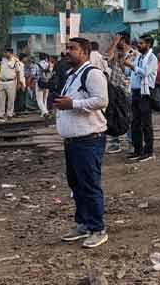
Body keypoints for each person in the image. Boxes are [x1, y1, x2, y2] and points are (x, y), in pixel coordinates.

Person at [54, 37, 109, 249]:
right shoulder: (72, 75)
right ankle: (83, 223)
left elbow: (102, 100)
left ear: (84, 52)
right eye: (67, 48)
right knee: (76, 184)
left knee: (89, 184)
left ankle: (97, 229)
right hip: (73, 141)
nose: (68, 52)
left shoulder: (92, 74)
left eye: (73, 48)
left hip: (89, 140)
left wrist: (73, 104)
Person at [124, 34, 157, 161]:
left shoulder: (152, 58)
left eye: (141, 43)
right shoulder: (138, 57)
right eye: (138, 43)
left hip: (145, 93)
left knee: (146, 124)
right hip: (135, 92)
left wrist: (132, 66)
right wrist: (126, 63)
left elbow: (145, 72)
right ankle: (138, 150)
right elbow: (129, 73)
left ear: (148, 44)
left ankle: (149, 151)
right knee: (135, 123)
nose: (138, 45)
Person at [106, 33, 136, 153]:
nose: (114, 40)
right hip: (114, 88)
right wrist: (114, 43)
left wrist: (121, 60)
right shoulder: (116, 52)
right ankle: (115, 143)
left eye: (116, 38)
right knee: (112, 115)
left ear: (122, 40)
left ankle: (131, 143)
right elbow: (106, 58)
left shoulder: (133, 53)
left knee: (129, 116)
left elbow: (130, 71)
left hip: (127, 89)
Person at [0, 48, 24, 119]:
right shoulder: (3, 60)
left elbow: (18, 72)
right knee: (0, 99)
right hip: (1, 81)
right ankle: (1, 113)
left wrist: (18, 83)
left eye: (6, 52)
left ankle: (9, 114)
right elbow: (0, 70)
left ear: (10, 53)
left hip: (11, 81)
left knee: (11, 99)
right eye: (4, 52)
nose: (4, 54)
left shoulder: (15, 61)